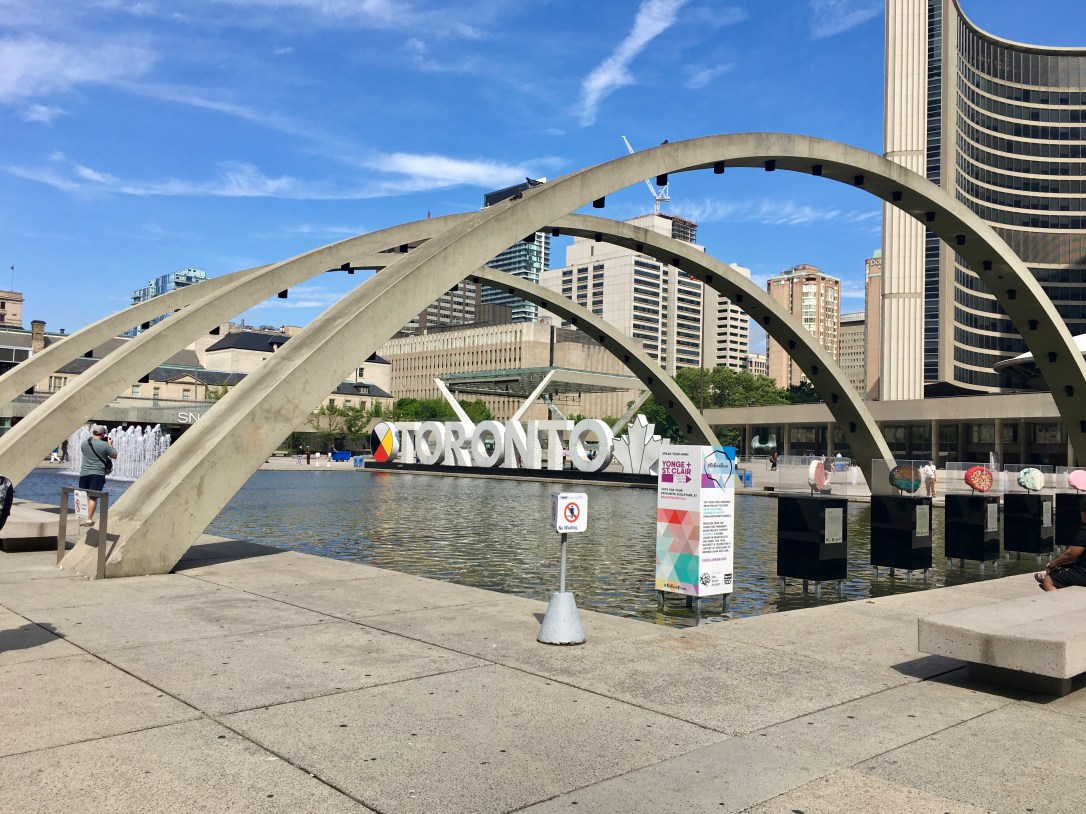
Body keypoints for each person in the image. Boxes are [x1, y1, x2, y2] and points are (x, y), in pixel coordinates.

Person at [1036, 497, 1086, 591]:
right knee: (1065, 567)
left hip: (1083, 573)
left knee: (1048, 581)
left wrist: (1052, 563)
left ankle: (1059, 602)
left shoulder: (1084, 532)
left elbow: (1071, 554)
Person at [78, 425, 117, 526]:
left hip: (84, 473)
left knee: (82, 496)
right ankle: (89, 519)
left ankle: (79, 518)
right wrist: (110, 444)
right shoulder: (104, 445)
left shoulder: (84, 443)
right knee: (93, 497)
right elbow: (114, 455)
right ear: (103, 434)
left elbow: (85, 452)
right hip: (97, 474)